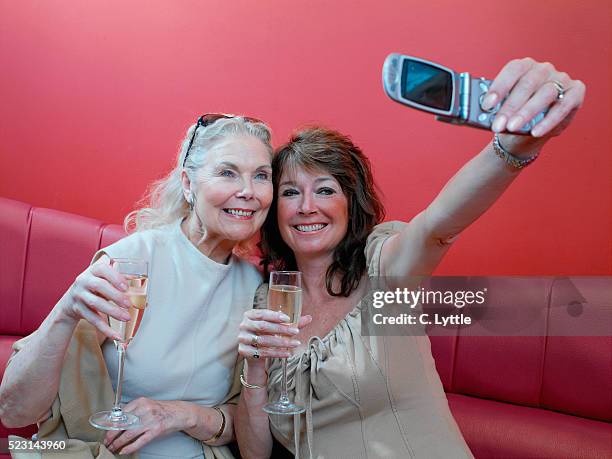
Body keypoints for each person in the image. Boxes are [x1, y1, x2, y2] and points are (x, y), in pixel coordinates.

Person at [234, 58, 586, 458]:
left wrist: (510, 148)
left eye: (326, 190)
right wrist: (256, 367)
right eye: (291, 192)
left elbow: (437, 226)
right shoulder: (265, 304)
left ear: (352, 204)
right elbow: (255, 453)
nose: (307, 207)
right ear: (272, 208)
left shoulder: (383, 269)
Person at [0, 114, 276, 458]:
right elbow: (14, 412)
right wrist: (66, 312)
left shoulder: (255, 287)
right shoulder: (131, 263)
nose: (248, 191)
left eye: (261, 176)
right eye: (227, 172)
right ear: (188, 184)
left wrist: (179, 414)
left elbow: (254, 427)